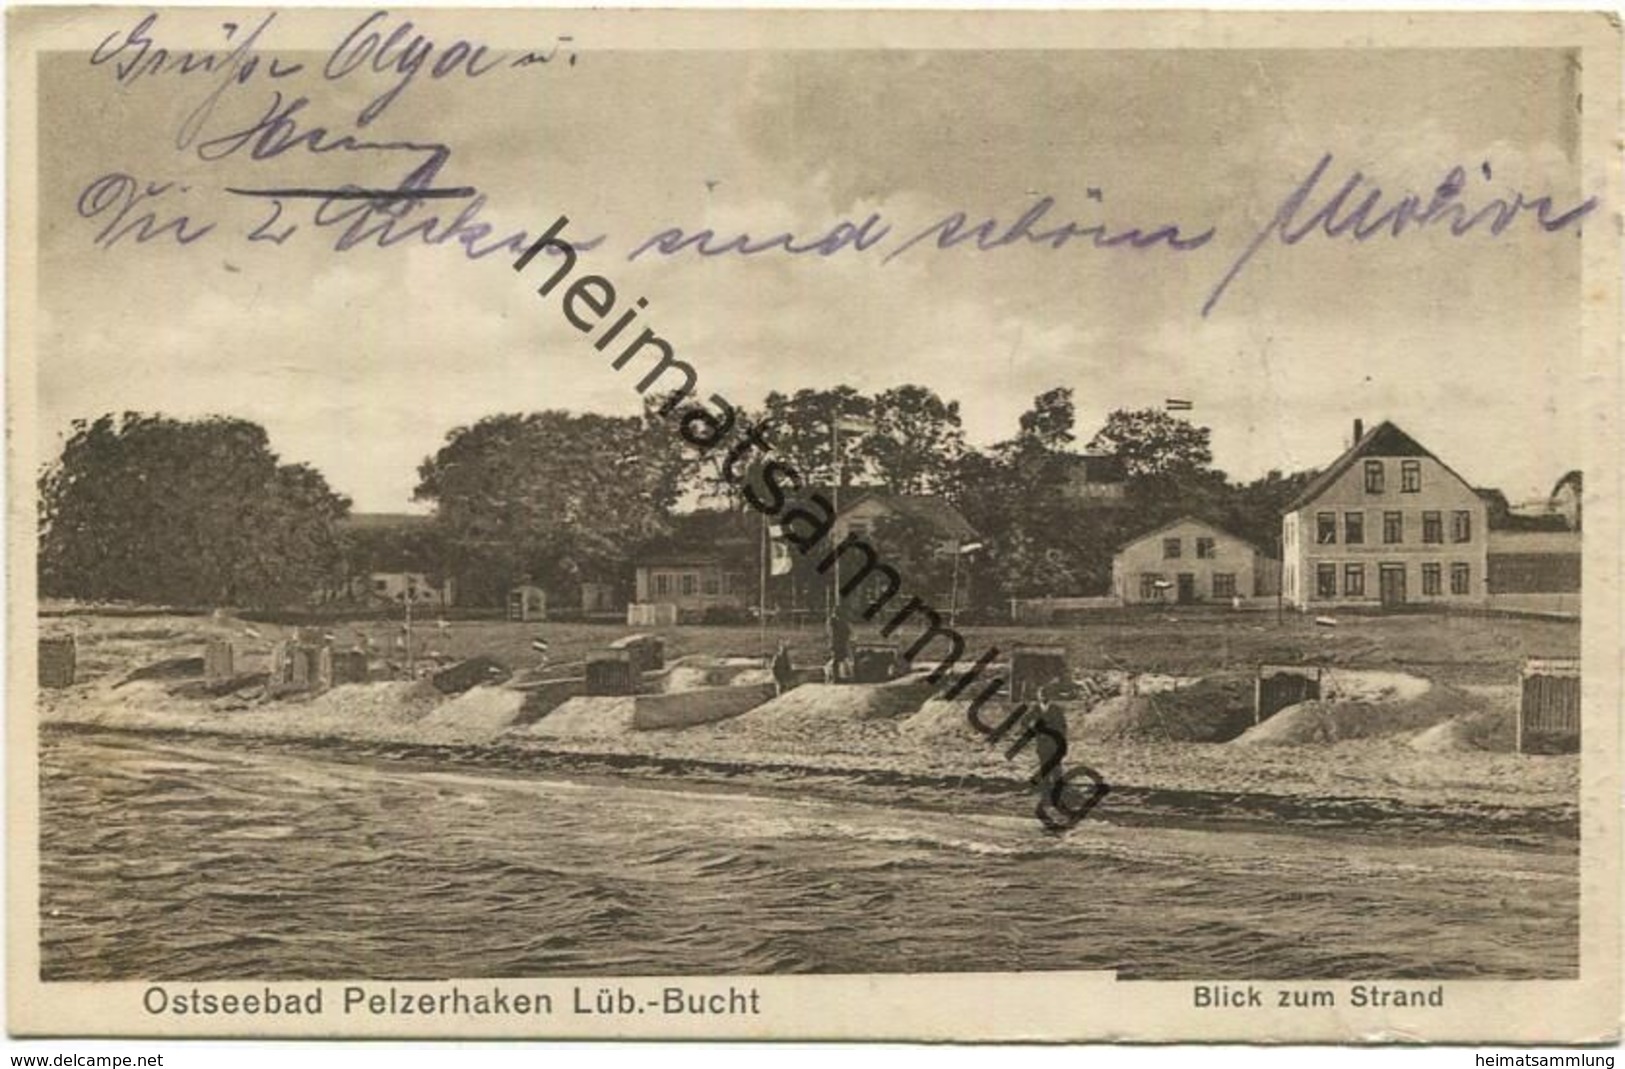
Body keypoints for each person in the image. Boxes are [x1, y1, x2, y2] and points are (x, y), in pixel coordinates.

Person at [826, 608, 852, 683]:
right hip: (839, 643)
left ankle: (837, 676)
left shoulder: (835, 622)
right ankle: (837, 676)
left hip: (837, 643)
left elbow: (831, 631)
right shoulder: (839, 622)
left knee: (838, 659)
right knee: (839, 659)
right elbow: (848, 632)